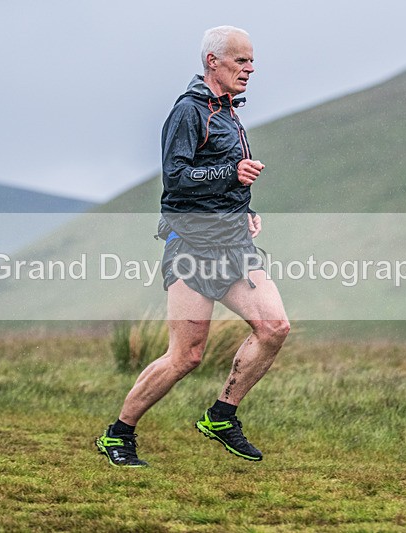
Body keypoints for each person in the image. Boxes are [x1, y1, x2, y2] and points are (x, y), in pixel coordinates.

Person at [96, 25, 290, 467]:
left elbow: (223, 174)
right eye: (241, 60)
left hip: (234, 244)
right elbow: (176, 178)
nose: (250, 68)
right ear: (212, 62)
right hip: (192, 246)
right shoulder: (188, 111)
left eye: (251, 60)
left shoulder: (228, 112)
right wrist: (230, 176)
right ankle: (118, 434)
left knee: (275, 328)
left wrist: (244, 207)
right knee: (186, 354)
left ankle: (222, 415)